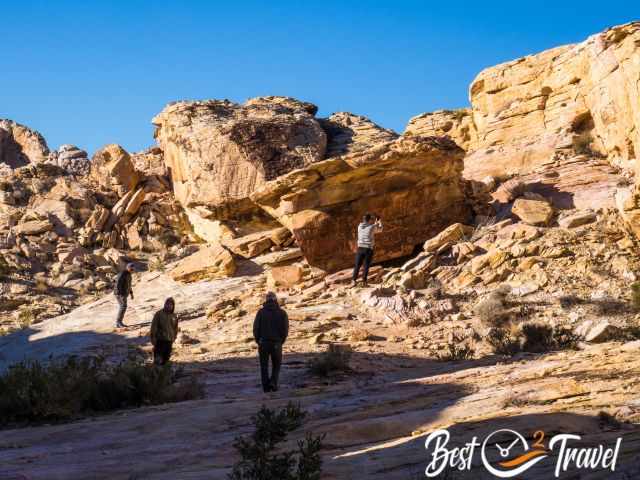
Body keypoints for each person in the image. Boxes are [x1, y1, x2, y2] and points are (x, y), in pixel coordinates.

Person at [253, 292, 289, 393]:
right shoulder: (282, 313)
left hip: (263, 343)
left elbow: (256, 328)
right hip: (276, 343)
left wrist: (258, 340)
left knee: (264, 366)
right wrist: (281, 341)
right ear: (275, 300)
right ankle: (273, 383)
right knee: (276, 365)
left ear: (266, 300)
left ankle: (266, 388)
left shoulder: (261, 312)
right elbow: (285, 330)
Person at [352, 213, 383, 287]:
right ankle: (364, 282)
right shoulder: (372, 227)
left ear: (363, 220)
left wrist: (374, 224)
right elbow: (380, 229)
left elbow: (371, 227)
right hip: (368, 249)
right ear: (369, 220)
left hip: (359, 249)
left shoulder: (359, 226)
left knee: (357, 265)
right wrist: (379, 221)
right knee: (366, 266)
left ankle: (353, 281)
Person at [150, 297, 178, 365]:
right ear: (164, 304)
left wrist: (174, 337)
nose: (168, 306)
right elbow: (154, 327)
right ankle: (155, 374)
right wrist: (153, 339)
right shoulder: (159, 314)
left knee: (166, 359)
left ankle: (164, 374)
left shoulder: (174, 316)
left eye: (171, 304)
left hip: (169, 341)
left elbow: (175, 328)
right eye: (167, 304)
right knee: (157, 360)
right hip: (160, 340)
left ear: (173, 306)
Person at [114, 263, 135, 328]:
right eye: (131, 268)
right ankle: (118, 322)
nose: (132, 270)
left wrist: (131, 293)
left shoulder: (129, 274)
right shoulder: (122, 273)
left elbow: (129, 285)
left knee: (123, 306)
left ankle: (119, 322)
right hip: (120, 294)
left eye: (133, 269)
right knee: (123, 306)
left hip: (124, 293)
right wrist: (119, 293)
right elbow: (117, 283)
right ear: (128, 267)